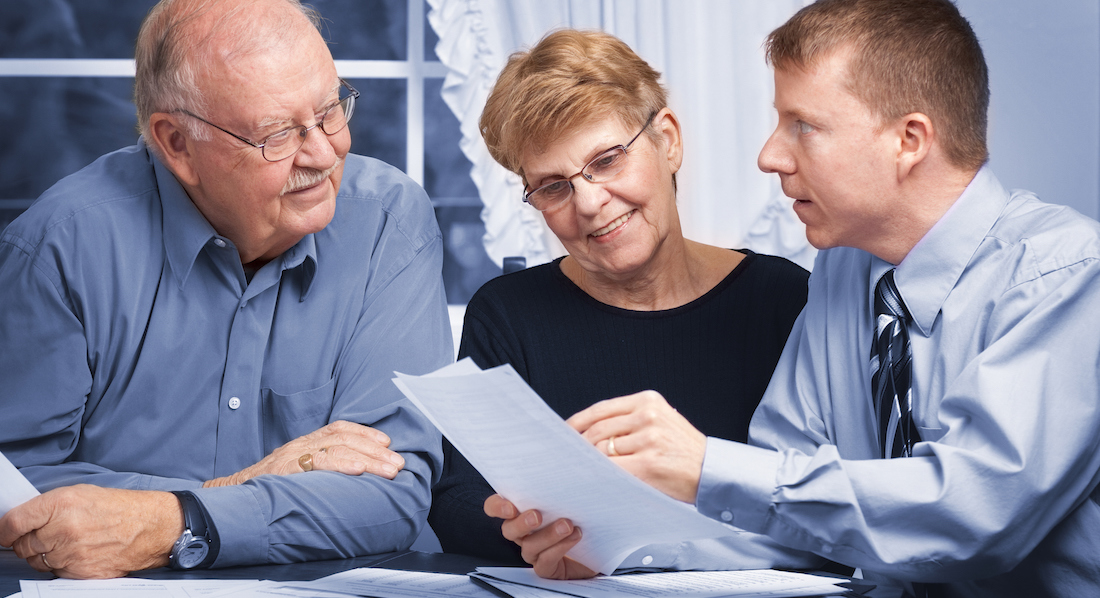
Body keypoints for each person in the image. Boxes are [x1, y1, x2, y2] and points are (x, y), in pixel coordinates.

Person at [486, 0, 1100, 594]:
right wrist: (615, 554)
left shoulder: (1066, 275)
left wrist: (703, 465)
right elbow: (790, 516)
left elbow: (973, 516)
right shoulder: (843, 273)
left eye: (803, 125)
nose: (769, 155)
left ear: (909, 140)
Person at [0, 0, 452, 580]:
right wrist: (239, 490)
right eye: (278, 133)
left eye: (331, 109)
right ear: (177, 144)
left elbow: (393, 494)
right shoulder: (57, 247)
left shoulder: (389, 219)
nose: (323, 152)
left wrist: (174, 520)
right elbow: (15, 486)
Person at [428, 29, 815, 574]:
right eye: (554, 187)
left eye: (607, 160)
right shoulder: (507, 311)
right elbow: (458, 501)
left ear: (668, 140)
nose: (589, 202)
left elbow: (822, 498)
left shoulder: (783, 298)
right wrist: (546, 538)